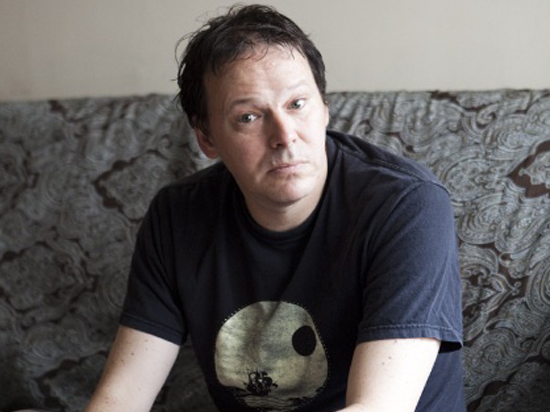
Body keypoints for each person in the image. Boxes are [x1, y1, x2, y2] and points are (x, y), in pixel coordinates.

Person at [84, 4, 465, 412]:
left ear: (324, 108)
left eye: (297, 103)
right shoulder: (177, 218)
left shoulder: (406, 206)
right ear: (206, 138)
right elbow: (122, 397)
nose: (284, 135)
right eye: (248, 117)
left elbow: (379, 407)